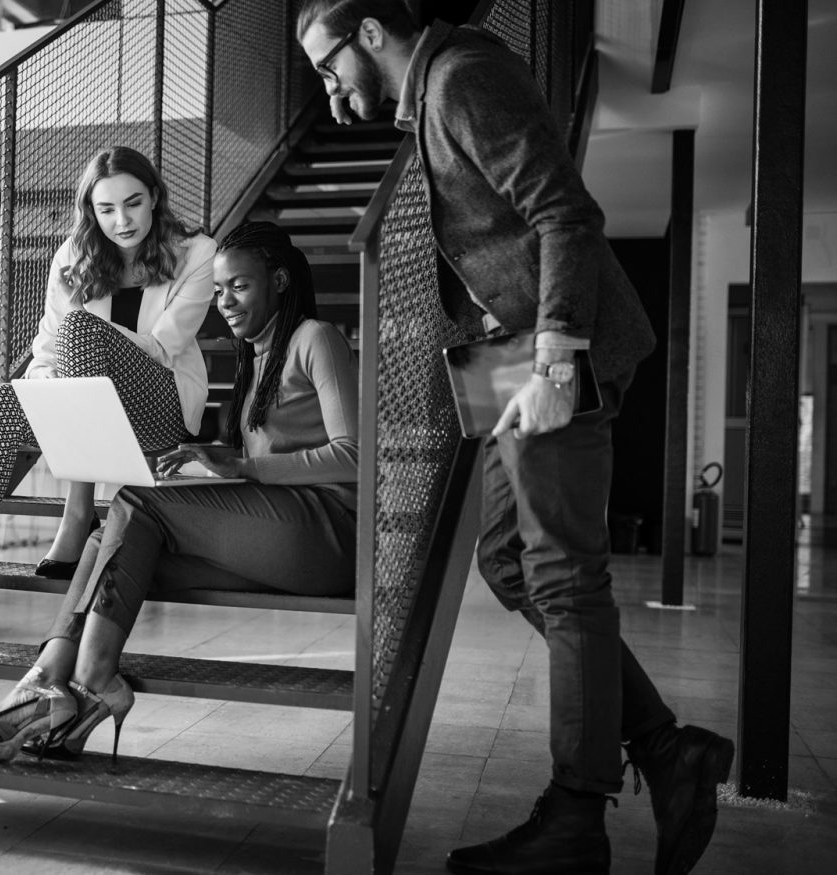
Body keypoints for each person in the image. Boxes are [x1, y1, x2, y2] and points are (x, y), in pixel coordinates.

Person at [294, 3, 734, 874]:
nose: (329, 84)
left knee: (567, 578)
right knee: (505, 559)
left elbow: (566, 213)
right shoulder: (427, 98)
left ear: (371, 32)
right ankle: (663, 745)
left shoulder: (462, 79)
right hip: (504, 361)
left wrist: (558, 360)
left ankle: (578, 815)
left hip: (549, 357)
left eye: (327, 62)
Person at [0, 220, 359, 763]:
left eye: (241, 286)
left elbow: (353, 456)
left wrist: (239, 464)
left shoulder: (314, 338)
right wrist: (212, 468)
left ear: (279, 281)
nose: (225, 301)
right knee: (111, 538)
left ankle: (88, 678)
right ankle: (48, 682)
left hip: (327, 534)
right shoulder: (256, 358)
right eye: (219, 290)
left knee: (133, 504)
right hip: (277, 536)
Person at [0, 146, 215, 643]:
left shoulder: (197, 252)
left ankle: (78, 512)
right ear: (91, 212)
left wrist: (89, 349)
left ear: (155, 197)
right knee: (2, 400)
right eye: (107, 209)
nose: (122, 220)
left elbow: (165, 346)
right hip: (90, 413)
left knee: (83, 330)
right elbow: (45, 350)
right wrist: (55, 395)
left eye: (134, 203)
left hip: (161, 408)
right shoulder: (74, 255)